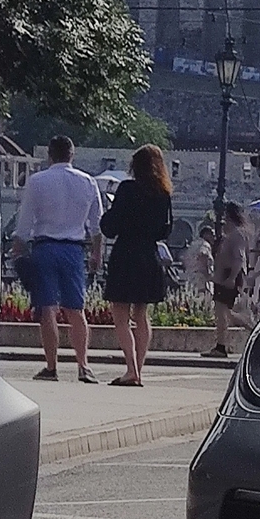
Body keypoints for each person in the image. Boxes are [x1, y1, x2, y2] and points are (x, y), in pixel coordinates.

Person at [11, 136, 103, 383]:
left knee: (48, 309)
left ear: (50, 155)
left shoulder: (37, 181)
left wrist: (18, 246)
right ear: (72, 155)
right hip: (73, 250)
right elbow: (96, 226)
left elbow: (25, 221)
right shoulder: (88, 182)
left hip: (45, 247)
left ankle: (51, 366)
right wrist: (96, 254)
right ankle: (84, 366)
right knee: (76, 310)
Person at [101, 145, 175, 388]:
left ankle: (131, 369)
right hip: (148, 255)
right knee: (141, 315)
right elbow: (165, 230)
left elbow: (110, 226)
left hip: (126, 254)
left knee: (120, 314)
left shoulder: (127, 189)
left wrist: (108, 215)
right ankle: (138, 369)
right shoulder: (163, 194)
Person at [207, 203, 250, 358]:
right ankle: (220, 345)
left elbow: (239, 258)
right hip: (225, 276)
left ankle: (250, 329)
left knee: (223, 313)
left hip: (228, 276)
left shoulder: (236, 235)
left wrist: (232, 278)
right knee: (223, 312)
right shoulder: (233, 234)